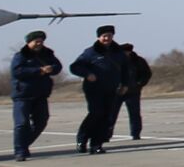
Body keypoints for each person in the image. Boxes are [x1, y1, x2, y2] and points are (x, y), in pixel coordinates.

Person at [69, 24, 130, 154]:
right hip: (93, 89)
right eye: (104, 36)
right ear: (99, 37)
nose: (107, 38)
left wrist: (125, 84)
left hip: (111, 89)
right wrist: (87, 74)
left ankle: (96, 144)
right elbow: (75, 67)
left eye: (109, 36)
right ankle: (82, 139)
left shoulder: (118, 52)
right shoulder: (90, 52)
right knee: (95, 113)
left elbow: (126, 70)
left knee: (106, 116)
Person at [9, 30, 61, 162]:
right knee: (22, 124)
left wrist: (51, 68)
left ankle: (24, 145)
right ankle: (20, 151)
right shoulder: (20, 56)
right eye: (36, 41)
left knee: (41, 121)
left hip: (41, 95)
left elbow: (58, 66)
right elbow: (17, 71)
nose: (39, 43)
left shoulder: (48, 54)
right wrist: (39, 71)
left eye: (41, 41)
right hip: (23, 95)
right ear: (29, 42)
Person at [109, 43, 151, 140]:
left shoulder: (138, 61)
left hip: (133, 91)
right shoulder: (114, 60)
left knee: (135, 113)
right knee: (112, 113)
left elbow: (146, 73)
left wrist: (139, 84)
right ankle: (107, 133)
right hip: (117, 92)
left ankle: (135, 133)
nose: (126, 54)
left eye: (128, 51)